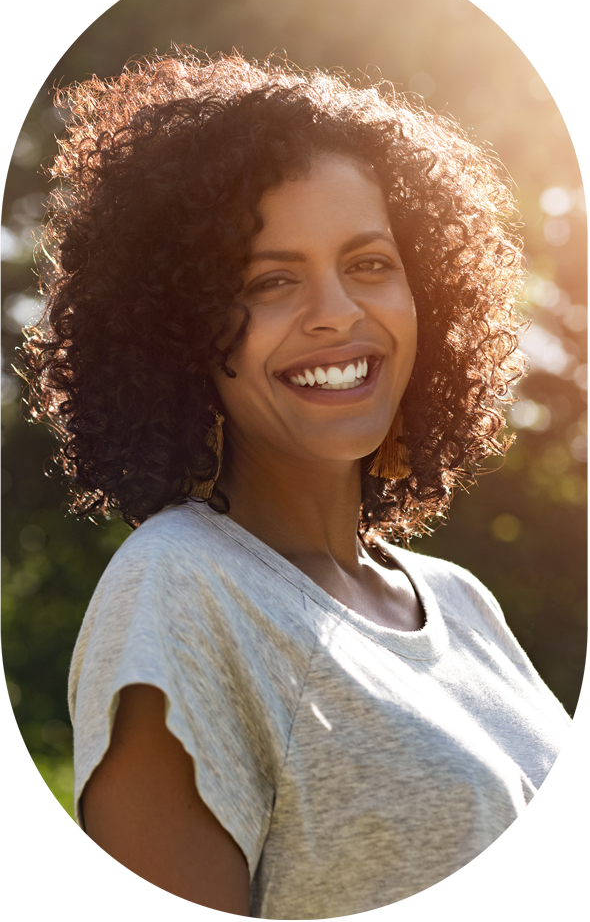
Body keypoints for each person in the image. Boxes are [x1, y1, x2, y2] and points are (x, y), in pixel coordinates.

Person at [23, 49, 590, 921]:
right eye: (270, 280)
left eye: (369, 263)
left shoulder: (460, 602)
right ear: (179, 325)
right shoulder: (179, 588)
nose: (336, 312)